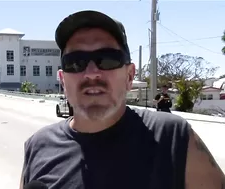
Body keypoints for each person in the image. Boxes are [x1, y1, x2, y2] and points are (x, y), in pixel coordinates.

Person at [19, 10, 225, 189]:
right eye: (76, 62)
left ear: (129, 76)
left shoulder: (174, 138)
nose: (91, 73)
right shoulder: (38, 147)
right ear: (63, 80)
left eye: (107, 59)